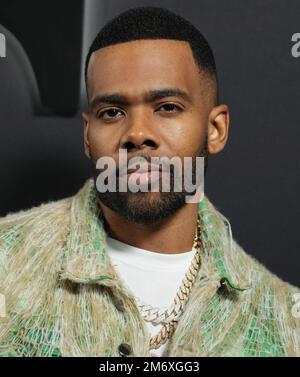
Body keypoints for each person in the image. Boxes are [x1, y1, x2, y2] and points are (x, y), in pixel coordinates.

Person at [0, 6, 299, 357]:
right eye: (111, 113)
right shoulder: (8, 267)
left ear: (215, 129)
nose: (138, 134)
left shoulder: (285, 321)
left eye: (167, 107)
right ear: (87, 135)